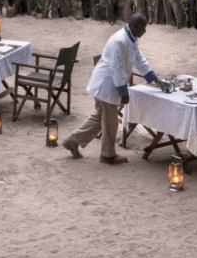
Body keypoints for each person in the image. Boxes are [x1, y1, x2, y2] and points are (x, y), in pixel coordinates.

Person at [63, 13, 158, 164]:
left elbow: (139, 60)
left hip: (108, 83)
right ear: (135, 26)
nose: (144, 31)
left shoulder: (132, 39)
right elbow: (117, 68)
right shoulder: (119, 41)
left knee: (100, 117)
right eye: (143, 28)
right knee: (110, 122)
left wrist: (155, 79)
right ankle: (108, 155)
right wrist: (123, 91)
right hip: (107, 84)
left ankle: (73, 141)